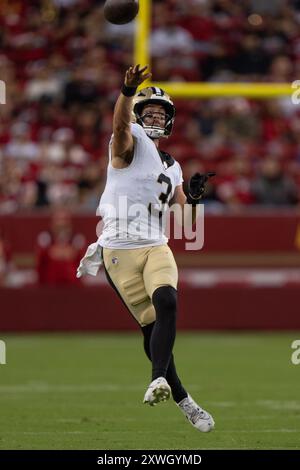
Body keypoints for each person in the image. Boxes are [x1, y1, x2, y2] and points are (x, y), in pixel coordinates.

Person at [77, 65, 215, 432]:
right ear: (138, 114)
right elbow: (120, 126)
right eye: (149, 111)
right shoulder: (128, 142)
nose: (154, 117)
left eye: (161, 113)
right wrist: (126, 90)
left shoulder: (173, 166)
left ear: (169, 122)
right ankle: (184, 399)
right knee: (149, 328)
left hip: (155, 244)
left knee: (167, 300)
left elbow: (184, 215)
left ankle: (157, 379)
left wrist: (197, 199)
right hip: (118, 249)